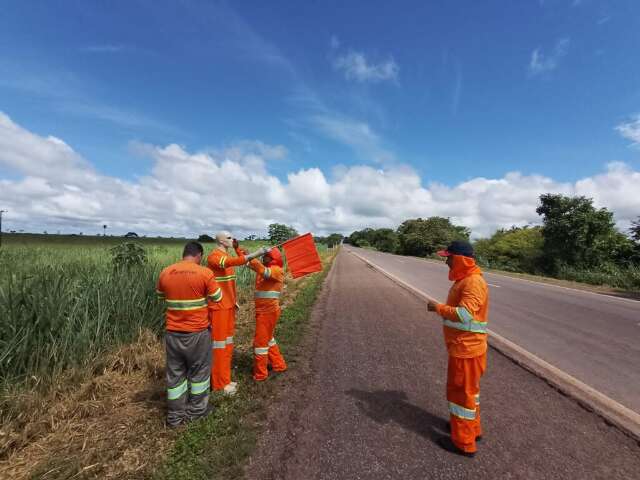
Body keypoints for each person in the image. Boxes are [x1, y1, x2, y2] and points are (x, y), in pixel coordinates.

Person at [427, 240, 489, 457]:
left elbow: (464, 315)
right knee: (470, 393)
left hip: (466, 350)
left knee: (461, 395)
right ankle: (472, 429)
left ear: (461, 259)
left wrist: (438, 308)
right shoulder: (467, 280)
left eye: (449, 257)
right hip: (466, 348)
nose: (446, 262)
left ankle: (464, 443)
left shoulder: (472, 283)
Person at [156, 241, 223, 427]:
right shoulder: (204, 273)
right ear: (199, 255)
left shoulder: (166, 272)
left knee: (175, 376)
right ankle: (197, 412)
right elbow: (218, 297)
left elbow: (161, 296)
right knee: (199, 373)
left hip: (173, 333)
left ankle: (175, 417)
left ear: (184, 253)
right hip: (197, 333)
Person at [207, 231, 266, 395]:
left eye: (232, 237)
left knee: (227, 345)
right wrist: (256, 253)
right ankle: (218, 384)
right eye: (229, 238)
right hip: (218, 309)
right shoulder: (215, 257)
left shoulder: (226, 257)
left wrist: (234, 300)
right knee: (219, 347)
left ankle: (225, 380)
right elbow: (232, 261)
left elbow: (228, 284)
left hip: (228, 307)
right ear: (220, 241)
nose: (232, 240)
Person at [247, 247, 288, 381]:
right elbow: (249, 263)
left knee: (260, 344)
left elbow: (262, 270)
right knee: (269, 340)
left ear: (273, 258)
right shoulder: (265, 269)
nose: (263, 258)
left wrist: (253, 257)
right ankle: (279, 364)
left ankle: (260, 374)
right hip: (264, 311)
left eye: (265, 256)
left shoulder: (276, 270)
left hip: (268, 312)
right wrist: (242, 253)